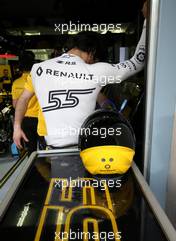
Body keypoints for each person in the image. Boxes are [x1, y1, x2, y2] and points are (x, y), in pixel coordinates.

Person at [13, 3, 147, 150]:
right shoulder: (96, 71)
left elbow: (23, 99)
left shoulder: (38, 69)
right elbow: (138, 62)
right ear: (92, 52)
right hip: (85, 146)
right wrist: (147, 22)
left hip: (50, 146)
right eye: (96, 59)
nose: (94, 62)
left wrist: (17, 127)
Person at [12, 51, 40, 155]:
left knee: (31, 149)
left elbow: (15, 105)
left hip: (25, 120)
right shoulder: (38, 79)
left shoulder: (16, 83)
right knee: (45, 148)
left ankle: (33, 169)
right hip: (40, 119)